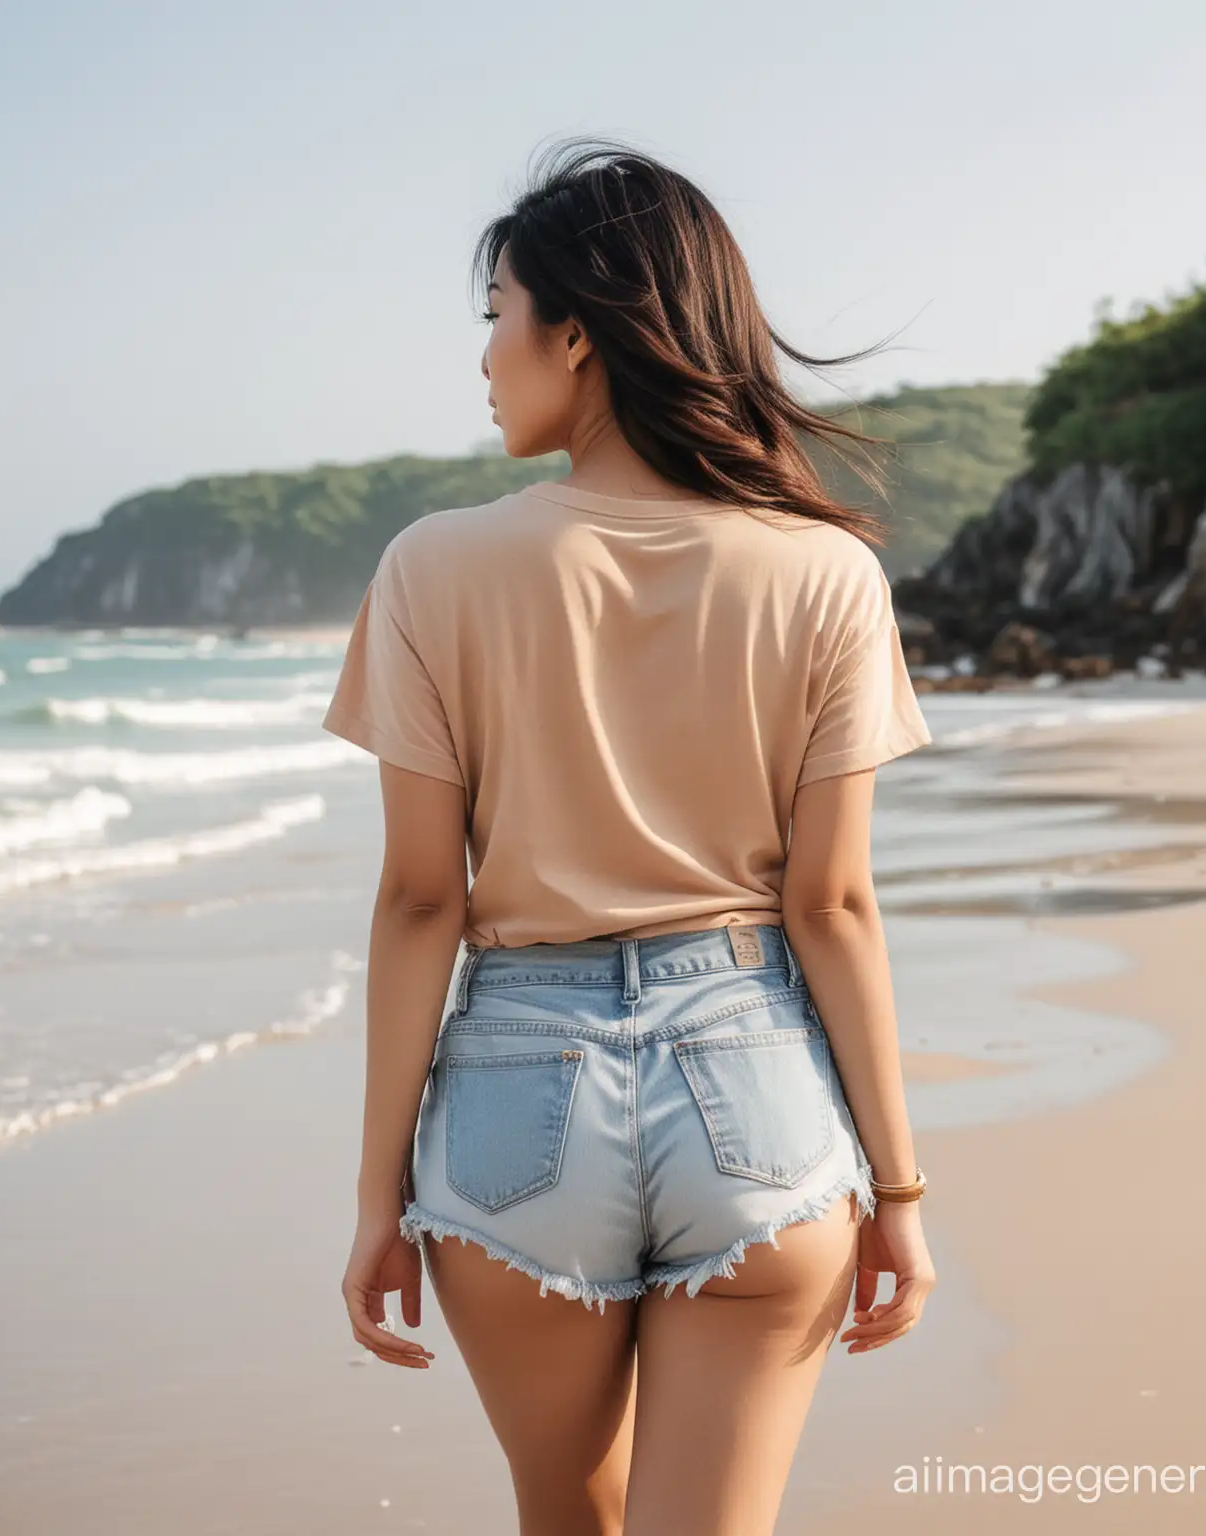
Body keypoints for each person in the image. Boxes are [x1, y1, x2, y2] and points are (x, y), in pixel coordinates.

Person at [322, 138, 937, 1536]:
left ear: (577, 337)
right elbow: (832, 907)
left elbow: (424, 901)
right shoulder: (828, 573)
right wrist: (898, 1190)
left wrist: (376, 1200)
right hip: (758, 1096)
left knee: (567, 1516)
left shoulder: (433, 566)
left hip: (512, 1107)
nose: (486, 360)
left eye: (498, 320)